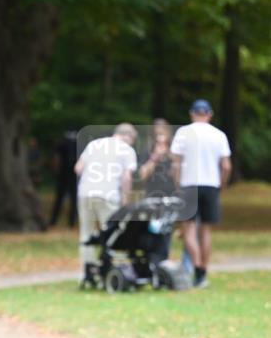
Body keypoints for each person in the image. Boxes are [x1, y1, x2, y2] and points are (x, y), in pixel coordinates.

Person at [170, 99, 231, 289]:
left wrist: (177, 184)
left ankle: (196, 268)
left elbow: (176, 163)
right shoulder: (219, 135)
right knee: (205, 231)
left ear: (192, 113)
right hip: (211, 185)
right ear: (209, 114)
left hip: (189, 184)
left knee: (188, 230)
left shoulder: (183, 133)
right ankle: (203, 272)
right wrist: (221, 184)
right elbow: (226, 166)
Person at [75, 123, 138, 282]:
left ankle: (87, 272)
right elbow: (126, 177)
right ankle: (107, 269)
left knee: (86, 233)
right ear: (129, 137)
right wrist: (126, 199)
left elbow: (78, 168)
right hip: (108, 195)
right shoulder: (127, 150)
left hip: (85, 193)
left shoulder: (94, 144)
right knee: (110, 234)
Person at [138, 120, 175, 261]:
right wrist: (155, 157)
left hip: (170, 197)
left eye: (162, 133)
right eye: (157, 134)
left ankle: (162, 259)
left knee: (166, 231)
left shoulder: (174, 153)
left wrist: (172, 158)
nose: (160, 137)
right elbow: (142, 175)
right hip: (151, 197)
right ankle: (150, 259)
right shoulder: (147, 152)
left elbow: (178, 177)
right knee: (151, 230)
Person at [48, 130, 78, 227]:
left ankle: (53, 221)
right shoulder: (78, 143)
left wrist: (55, 171)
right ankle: (71, 222)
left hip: (63, 174)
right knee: (73, 199)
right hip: (73, 175)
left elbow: (56, 158)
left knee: (60, 198)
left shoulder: (62, 142)